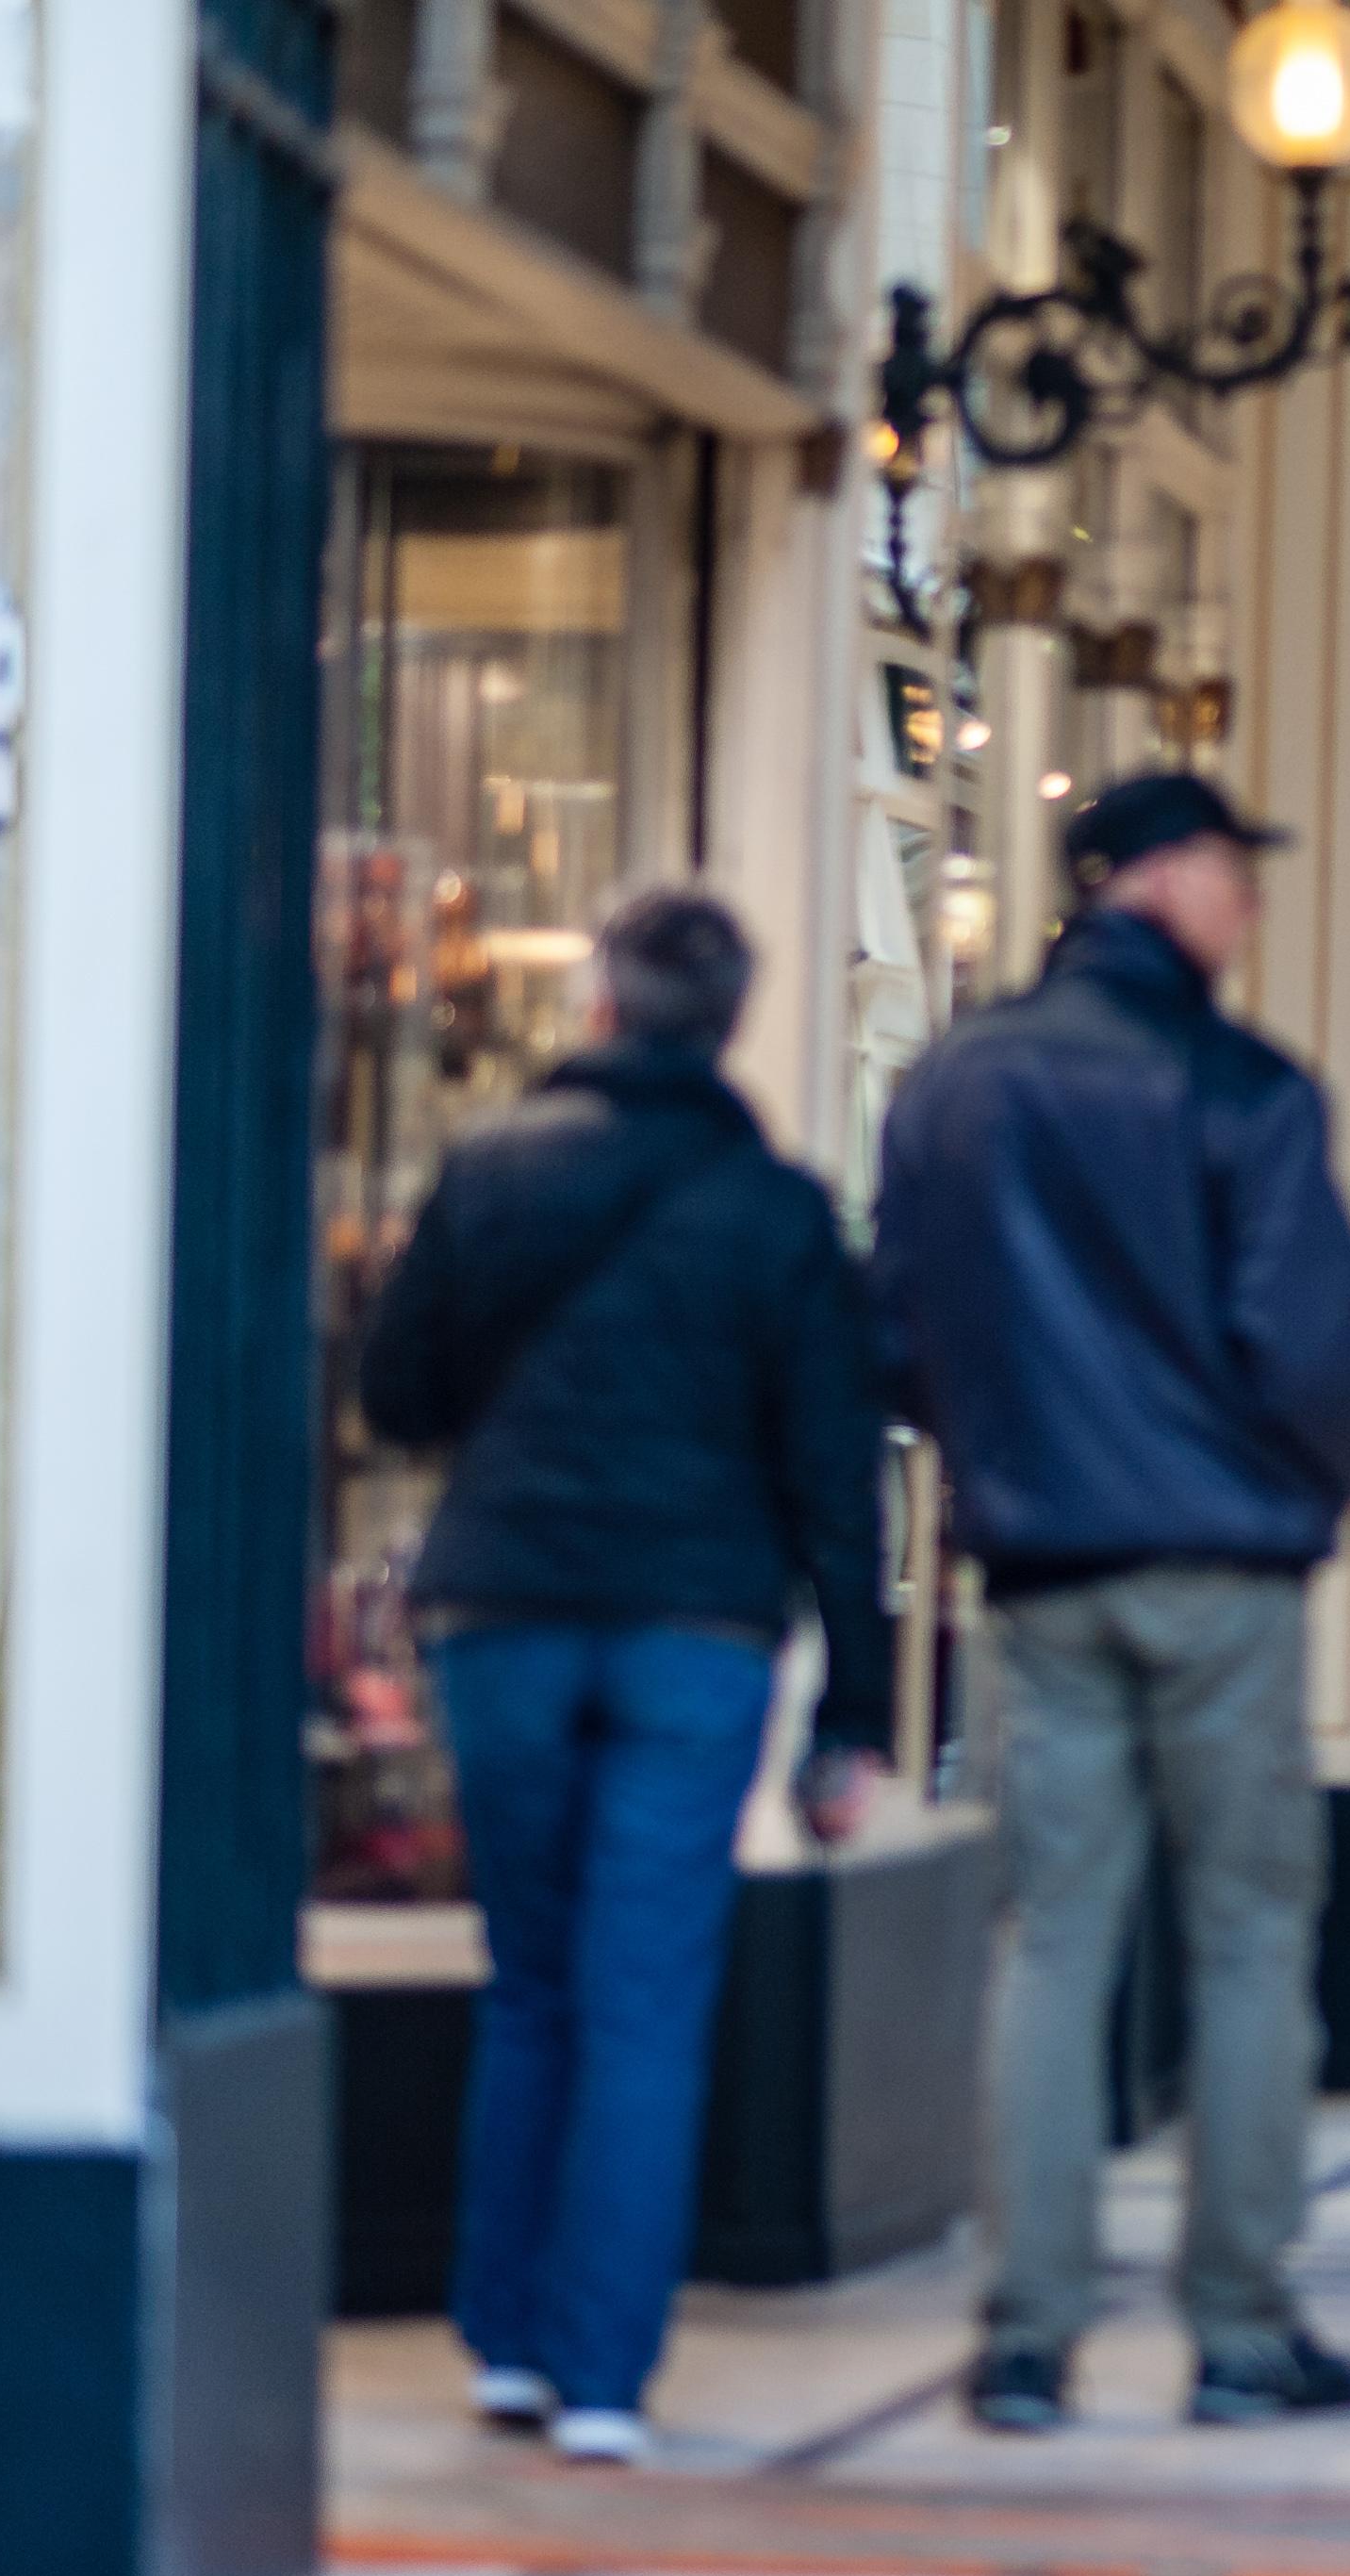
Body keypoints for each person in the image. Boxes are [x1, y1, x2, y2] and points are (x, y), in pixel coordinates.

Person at [873, 770, 1350, 2436]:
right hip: (1219, 1566)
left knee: (1053, 1939)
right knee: (1246, 1934)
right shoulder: (1241, 1087)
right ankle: (1238, 2332)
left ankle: (1027, 2338)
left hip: (1040, 1570)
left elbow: (900, 1328)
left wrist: (1006, 1474)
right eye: (1237, 869)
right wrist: (1309, 1493)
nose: (1250, 901)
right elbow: (1307, 1347)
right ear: (1157, 880)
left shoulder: (958, 1081)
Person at [358, 891, 893, 2467]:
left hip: (505, 1609)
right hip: (697, 1632)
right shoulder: (781, 1212)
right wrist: (854, 1714)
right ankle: (602, 2377)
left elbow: (396, 1393)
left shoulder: (491, 1171)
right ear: (726, 1023)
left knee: (529, 1979)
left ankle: (503, 2342)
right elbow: (837, 1480)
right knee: (644, 1999)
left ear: (597, 1009)